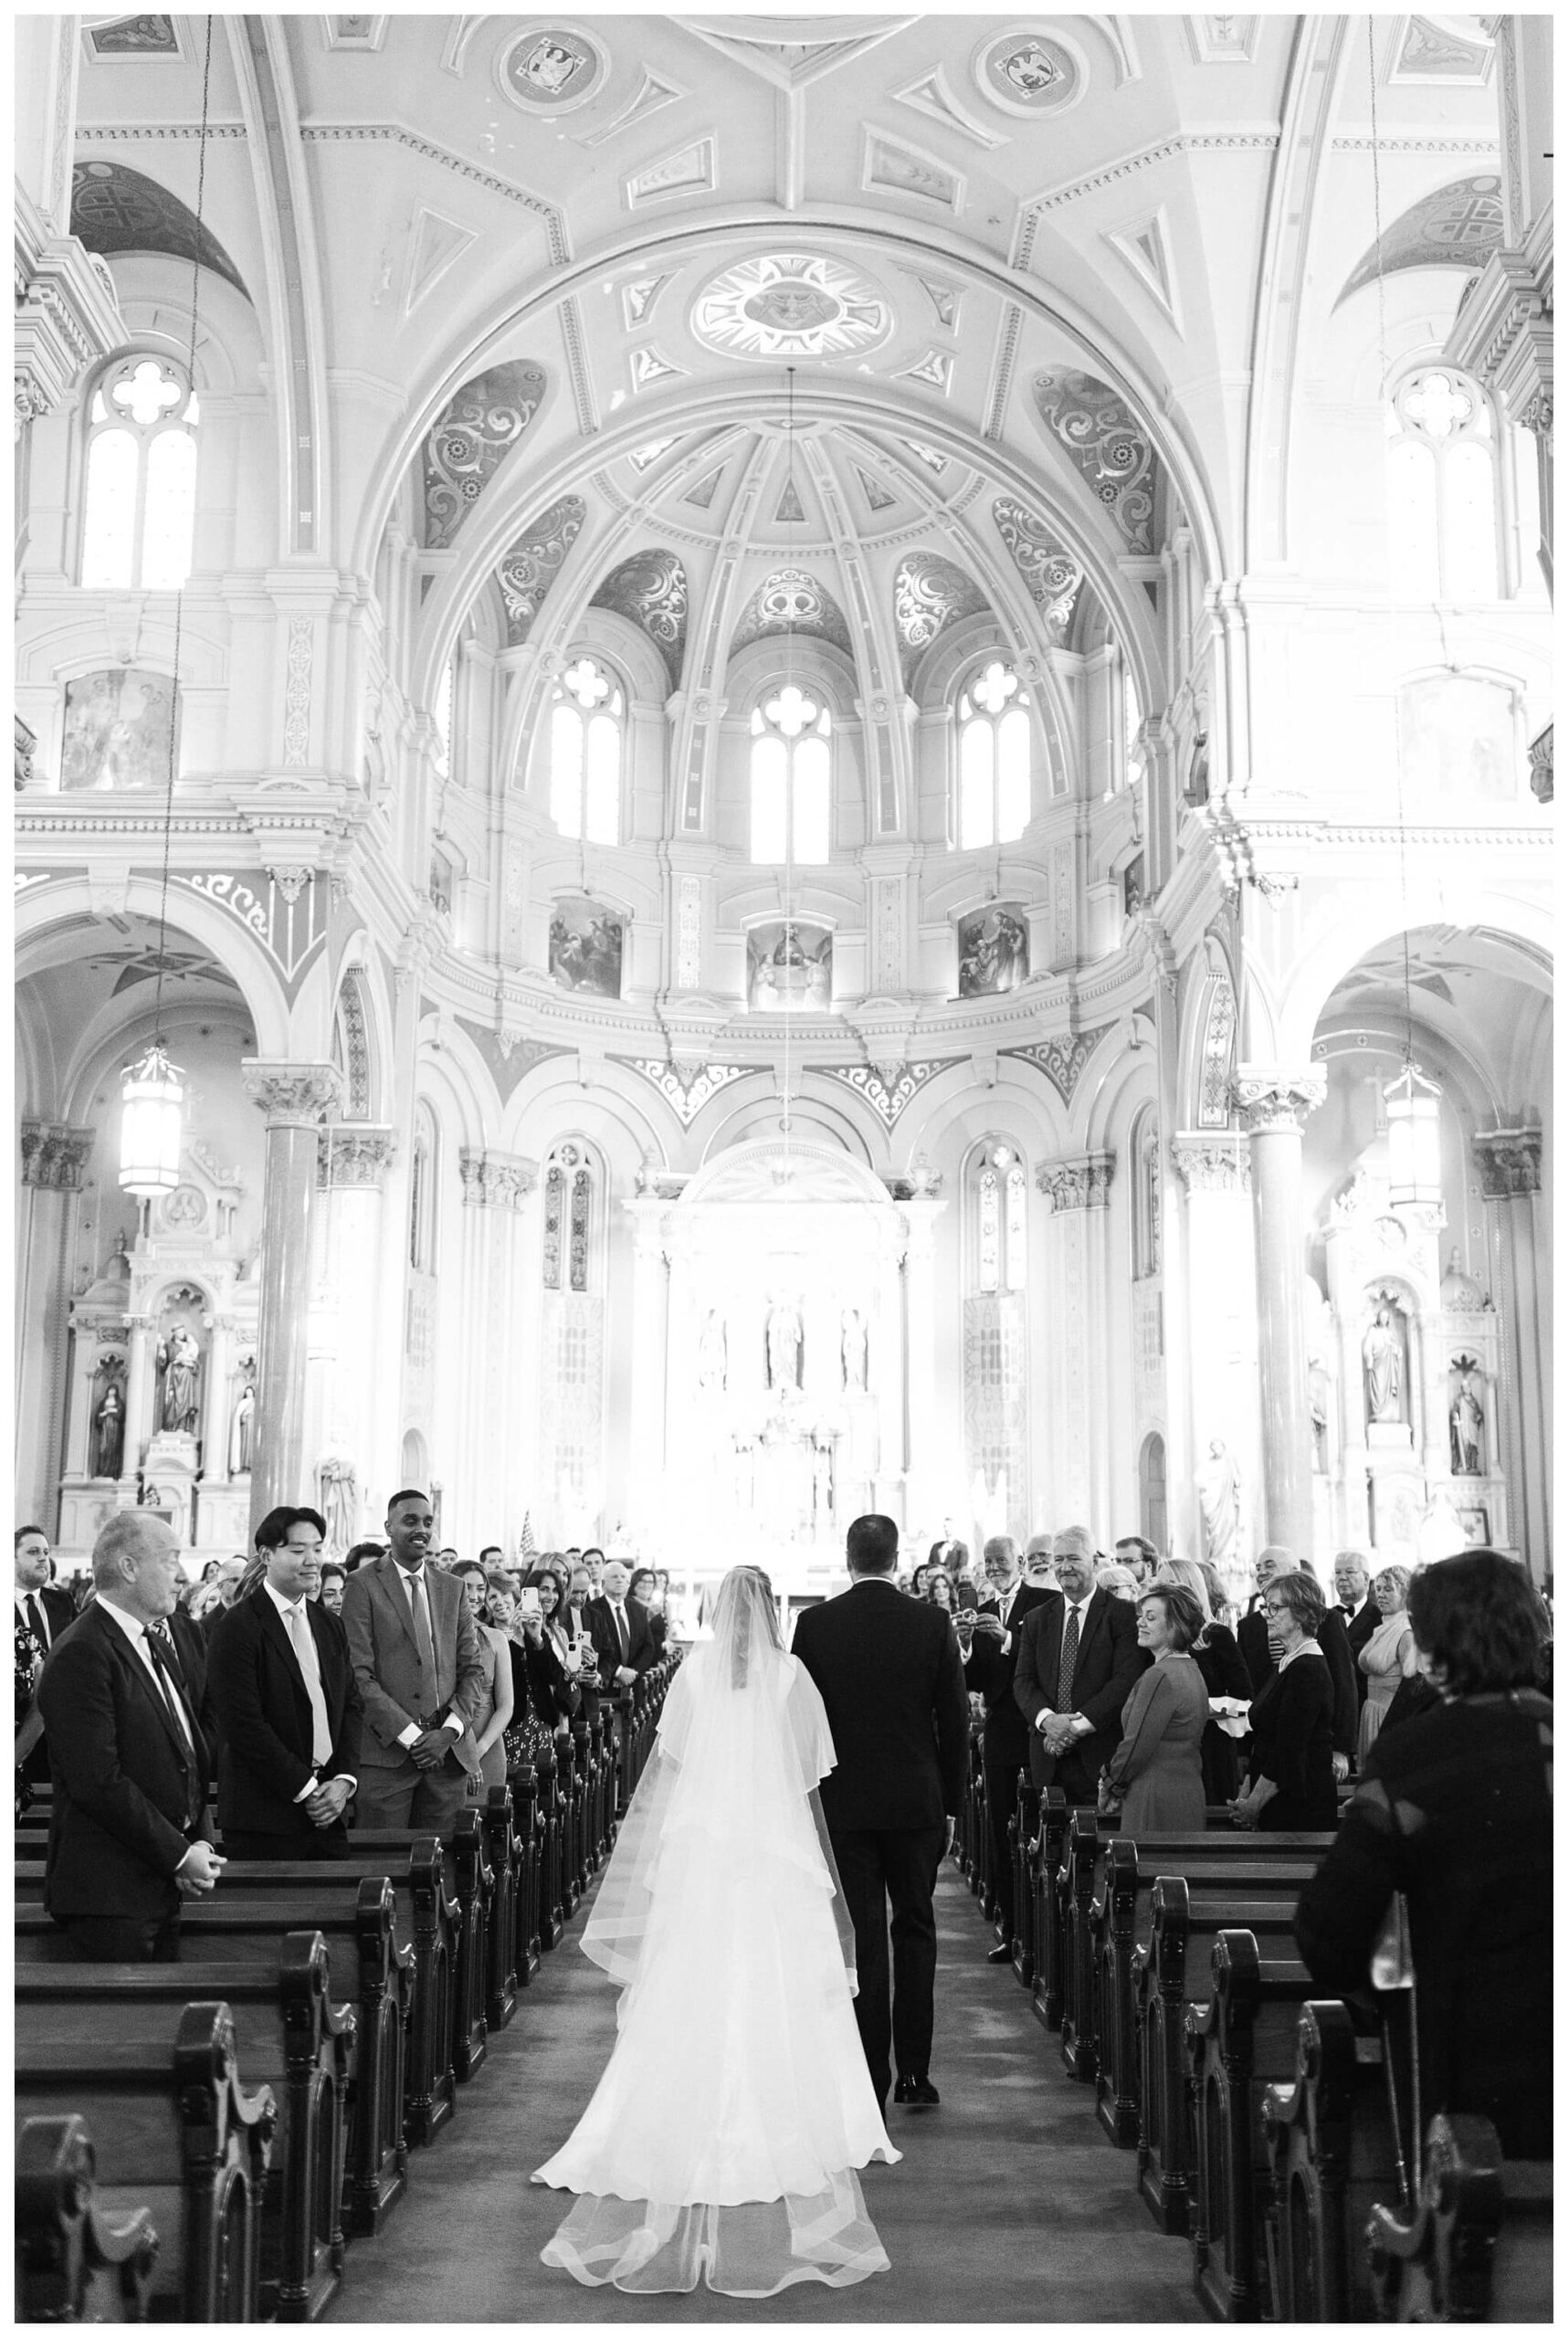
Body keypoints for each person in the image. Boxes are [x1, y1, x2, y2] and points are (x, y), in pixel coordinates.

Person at [533, 1566, 898, 2294]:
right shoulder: (791, 1673)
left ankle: (662, 2114)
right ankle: (805, 2116)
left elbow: (670, 1760)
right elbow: (809, 1770)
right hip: (770, 1844)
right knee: (774, 1968)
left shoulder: (693, 1674)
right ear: (769, 1612)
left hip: (704, 1842)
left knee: (692, 1968)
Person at [1295, 1551, 1552, 2159]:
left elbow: (1328, 1927)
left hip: (1475, 2060)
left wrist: (1385, 1994)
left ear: (1433, 1650)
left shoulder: (1417, 1758)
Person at [793, 1514, 968, 2114]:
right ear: (897, 1558)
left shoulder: (814, 1625)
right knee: (915, 1929)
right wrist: (952, 1806)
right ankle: (915, 2074)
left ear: (848, 1558)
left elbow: (803, 1722)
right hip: (916, 1801)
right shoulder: (931, 1621)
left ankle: (868, 2077)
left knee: (864, 1936)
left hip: (845, 1803)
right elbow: (953, 1720)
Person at [37, 1511, 223, 1958]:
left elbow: (183, 1749)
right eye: (170, 1560)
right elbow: (97, 1781)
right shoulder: (84, 1649)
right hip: (109, 1891)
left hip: (155, 1878)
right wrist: (179, 1855)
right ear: (129, 1568)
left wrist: (198, 1838)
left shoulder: (153, 1641)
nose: (181, 1575)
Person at [206, 1506, 362, 1859]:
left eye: (318, 1549)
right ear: (266, 1555)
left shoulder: (329, 1624)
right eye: (297, 1550)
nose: (312, 1560)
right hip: (264, 1815)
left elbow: (351, 1705)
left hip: (331, 1809)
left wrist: (344, 1781)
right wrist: (306, 1788)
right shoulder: (237, 1627)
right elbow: (243, 1725)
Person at [339, 1488, 489, 1828]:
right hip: (386, 1756)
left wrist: (448, 1732)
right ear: (388, 1526)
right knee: (384, 1869)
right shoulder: (361, 1585)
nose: (421, 1528)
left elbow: (473, 1670)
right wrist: (411, 1736)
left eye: (427, 1522)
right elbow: (358, 1674)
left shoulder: (453, 1588)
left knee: (442, 1870)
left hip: (447, 1758)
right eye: (410, 1521)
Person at [957, 1533, 1058, 1964]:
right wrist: (964, 1645)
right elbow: (979, 1678)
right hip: (1000, 1732)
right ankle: (1011, 1930)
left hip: (1036, 1730)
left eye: (1000, 1560)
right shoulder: (979, 1611)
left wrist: (1007, 1639)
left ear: (1018, 1560)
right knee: (1001, 1833)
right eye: (987, 1562)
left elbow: (1049, 1665)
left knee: (1037, 1832)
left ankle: (1045, 1937)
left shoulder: (1043, 1602)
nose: (993, 1567)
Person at [1013, 1526, 1150, 1802]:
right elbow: (1023, 1681)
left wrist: (1073, 1728)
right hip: (1047, 1758)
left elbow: (1125, 1681)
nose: (1065, 1567)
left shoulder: (1122, 1615)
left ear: (1094, 1562)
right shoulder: (1036, 1619)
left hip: (1100, 1759)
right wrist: (1047, 1721)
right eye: (1059, 1559)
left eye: (1073, 1558)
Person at [1231, 1569, 1337, 1831]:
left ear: (1302, 1613)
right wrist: (1246, 1796)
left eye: (1275, 1608)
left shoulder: (1307, 1668)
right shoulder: (1288, 1662)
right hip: (1275, 1793)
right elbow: (1266, 1741)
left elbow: (1288, 1748)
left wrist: (1253, 1803)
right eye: (1266, 1607)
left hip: (1298, 1800)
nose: (1266, 1614)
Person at [1100, 1585, 1210, 1833]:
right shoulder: (1191, 1669)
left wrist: (1111, 1784)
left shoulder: (1160, 1675)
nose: (1140, 1623)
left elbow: (1135, 1746)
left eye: (1151, 1617)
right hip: (1187, 1791)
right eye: (1140, 1616)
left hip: (1153, 1795)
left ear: (1176, 1625)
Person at [1159, 1557, 1251, 1803]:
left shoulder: (1216, 1636)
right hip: (1164, 1745)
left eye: (1167, 1584)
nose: (1159, 1592)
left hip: (1209, 1743)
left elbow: (1244, 1694)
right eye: (1158, 1585)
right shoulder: (1151, 1636)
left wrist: (1200, 1707)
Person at [16, 1524, 74, 1783]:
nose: (43, 1558)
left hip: (60, 1729)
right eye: (33, 1551)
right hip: (18, 1726)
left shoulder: (62, 1602)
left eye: (46, 1552)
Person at [450, 1561, 514, 1789]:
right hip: (449, 1746)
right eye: (467, 1587)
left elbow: (506, 1706)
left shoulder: (495, 1638)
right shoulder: (439, 1636)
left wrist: (480, 1748)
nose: (474, 1595)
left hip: (488, 1747)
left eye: (480, 1588)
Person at [1356, 1564, 1418, 1762]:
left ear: (1405, 1594)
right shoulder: (1380, 1629)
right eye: (1379, 1589)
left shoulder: (1405, 1632)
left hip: (1391, 1717)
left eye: (1389, 1589)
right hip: (1371, 1713)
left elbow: (1414, 1687)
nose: (1381, 1595)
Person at [586, 1559, 658, 1690]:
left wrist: (631, 1673)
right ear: (603, 1584)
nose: (619, 1580)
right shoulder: (592, 1610)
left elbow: (648, 1646)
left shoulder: (638, 1608)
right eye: (614, 1577)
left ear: (628, 1584)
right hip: (605, 1684)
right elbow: (596, 1648)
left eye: (623, 1577)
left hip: (634, 1682)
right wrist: (618, 1672)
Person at [1333, 1549, 1378, 1706]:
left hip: (1365, 1704)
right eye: (1337, 1572)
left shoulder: (1379, 1618)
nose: (1342, 1577)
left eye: (1350, 1572)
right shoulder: (1323, 1618)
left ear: (1366, 1579)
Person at [627, 1565, 668, 1655]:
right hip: (641, 1655)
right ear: (635, 1582)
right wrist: (648, 1617)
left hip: (658, 1655)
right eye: (643, 1581)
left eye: (650, 1582)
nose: (646, 1585)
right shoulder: (629, 1603)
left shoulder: (654, 1603)